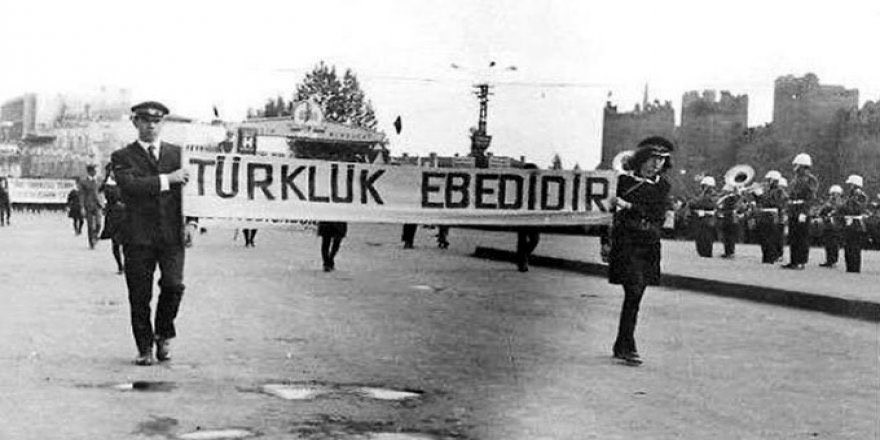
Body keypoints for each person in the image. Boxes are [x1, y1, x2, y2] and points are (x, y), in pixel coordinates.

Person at [110, 101, 191, 366]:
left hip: (172, 234)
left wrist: (192, 222)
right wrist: (169, 179)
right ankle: (144, 347)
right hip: (137, 236)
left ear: (163, 123)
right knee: (139, 294)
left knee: (174, 285)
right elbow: (130, 186)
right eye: (145, 121)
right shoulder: (122, 156)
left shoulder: (178, 154)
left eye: (156, 121)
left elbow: (193, 191)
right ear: (135, 123)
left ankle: (163, 334)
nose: (151, 126)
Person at [608, 136, 674, 366]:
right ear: (642, 159)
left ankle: (622, 343)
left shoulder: (662, 186)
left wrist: (627, 205)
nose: (657, 164)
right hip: (626, 241)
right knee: (634, 289)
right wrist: (605, 241)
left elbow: (657, 213)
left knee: (635, 295)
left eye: (662, 160)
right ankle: (628, 345)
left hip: (648, 243)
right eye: (652, 158)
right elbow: (607, 214)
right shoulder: (623, 181)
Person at [781, 154, 818, 270]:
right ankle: (793, 261)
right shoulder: (795, 179)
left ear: (803, 166)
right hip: (794, 210)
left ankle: (801, 262)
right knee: (793, 237)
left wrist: (804, 212)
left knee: (802, 237)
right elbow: (791, 196)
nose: (795, 168)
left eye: (797, 165)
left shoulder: (811, 179)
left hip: (802, 210)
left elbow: (810, 197)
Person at [754, 170, 786, 263]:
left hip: (772, 215)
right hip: (765, 215)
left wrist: (761, 195)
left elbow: (775, 203)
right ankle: (766, 256)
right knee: (763, 237)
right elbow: (761, 203)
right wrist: (756, 196)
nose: (767, 182)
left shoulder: (779, 191)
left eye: (768, 180)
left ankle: (771, 257)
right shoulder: (768, 190)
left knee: (771, 237)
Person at [99, 164, 126, 274]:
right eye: (111, 171)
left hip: (124, 215)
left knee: (126, 242)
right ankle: (120, 265)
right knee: (115, 242)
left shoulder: (125, 183)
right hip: (112, 216)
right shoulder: (107, 184)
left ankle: (126, 264)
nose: (113, 173)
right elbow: (99, 193)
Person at [839, 174, 868, 273]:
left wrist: (846, 208)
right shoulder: (850, 196)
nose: (849, 186)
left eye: (851, 184)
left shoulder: (860, 196)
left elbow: (857, 209)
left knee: (854, 247)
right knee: (848, 246)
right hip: (849, 223)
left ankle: (854, 267)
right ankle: (850, 267)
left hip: (856, 223)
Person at [688, 176, 717, 257]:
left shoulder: (714, 195)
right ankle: (701, 251)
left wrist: (703, 198)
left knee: (707, 237)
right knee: (699, 236)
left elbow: (712, 204)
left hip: (709, 218)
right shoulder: (699, 194)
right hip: (699, 218)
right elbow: (692, 203)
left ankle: (707, 252)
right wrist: (702, 194)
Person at [817, 185, 844, 268]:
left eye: (835, 194)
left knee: (834, 244)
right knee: (828, 244)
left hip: (835, 226)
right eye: (832, 193)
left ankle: (833, 261)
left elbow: (839, 212)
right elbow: (821, 212)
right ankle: (829, 260)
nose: (833, 195)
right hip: (827, 225)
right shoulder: (828, 202)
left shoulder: (840, 203)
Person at [78, 164, 103, 249]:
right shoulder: (83, 182)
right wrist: (82, 207)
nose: (95, 172)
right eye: (94, 170)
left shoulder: (98, 181)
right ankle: (91, 242)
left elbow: (101, 191)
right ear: (90, 172)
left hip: (97, 205)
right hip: (88, 205)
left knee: (99, 224)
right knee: (90, 225)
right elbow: (81, 195)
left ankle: (95, 236)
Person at [716, 183, 744, 259]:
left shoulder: (732, 198)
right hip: (727, 218)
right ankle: (727, 252)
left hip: (731, 218)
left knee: (730, 236)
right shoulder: (728, 197)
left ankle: (730, 252)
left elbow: (730, 207)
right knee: (726, 236)